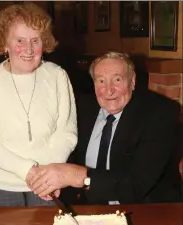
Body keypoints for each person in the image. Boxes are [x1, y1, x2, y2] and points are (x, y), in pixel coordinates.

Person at [28, 52, 182, 204]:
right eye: (101, 81)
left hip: (144, 210)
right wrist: (56, 182)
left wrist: (77, 176)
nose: (109, 90)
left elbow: (137, 184)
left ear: (132, 81)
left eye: (117, 79)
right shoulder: (82, 107)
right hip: (88, 208)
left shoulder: (159, 113)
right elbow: (68, 152)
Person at [0, 2, 77, 207]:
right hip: (1, 182)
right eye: (20, 40)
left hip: (48, 177)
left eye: (35, 40)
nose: (28, 49)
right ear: (4, 44)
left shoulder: (57, 76)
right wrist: (29, 170)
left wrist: (49, 172)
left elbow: (67, 131)